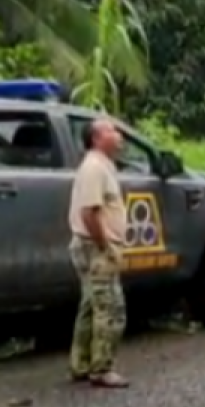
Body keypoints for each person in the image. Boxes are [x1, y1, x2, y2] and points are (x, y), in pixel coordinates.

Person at [68, 118, 129, 388]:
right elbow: (89, 212)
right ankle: (102, 368)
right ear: (95, 138)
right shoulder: (94, 168)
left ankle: (80, 363)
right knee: (110, 308)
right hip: (96, 247)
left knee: (90, 306)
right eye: (111, 130)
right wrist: (106, 246)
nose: (118, 134)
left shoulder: (103, 165)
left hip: (89, 244)